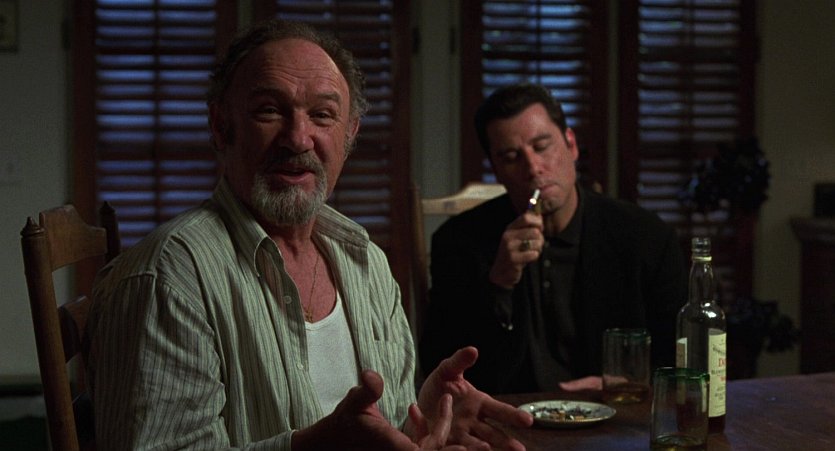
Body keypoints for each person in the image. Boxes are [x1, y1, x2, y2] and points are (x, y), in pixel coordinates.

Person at [85, 19, 532, 450]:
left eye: (322, 115)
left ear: (349, 135)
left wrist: (419, 422)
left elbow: (373, 434)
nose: (298, 138)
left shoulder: (367, 263)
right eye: (269, 110)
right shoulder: (169, 279)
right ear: (221, 126)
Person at [419, 83, 688, 395]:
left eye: (542, 146)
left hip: (616, 411)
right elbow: (439, 365)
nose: (533, 168)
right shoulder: (457, 242)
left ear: (571, 145)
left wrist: (625, 385)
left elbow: (680, 356)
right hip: (508, 413)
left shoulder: (646, 237)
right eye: (511, 157)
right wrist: (499, 285)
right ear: (496, 170)